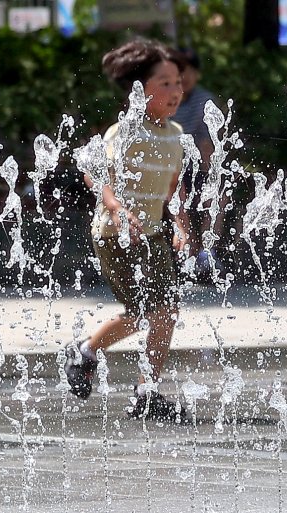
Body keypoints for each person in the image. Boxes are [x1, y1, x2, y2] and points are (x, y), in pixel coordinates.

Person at [65, 38, 193, 424]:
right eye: (164, 83)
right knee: (150, 311)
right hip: (114, 233)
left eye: (177, 82)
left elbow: (177, 186)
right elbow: (97, 175)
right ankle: (89, 352)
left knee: (163, 313)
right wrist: (119, 211)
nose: (175, 92)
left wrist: (182, 227)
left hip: (152, 233)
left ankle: (143, 389)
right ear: (140, 90)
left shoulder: (174, 134)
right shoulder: (125, 131)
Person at [169, 48, 225, 277]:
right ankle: (187, 245)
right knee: (173, 193)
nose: (185, 77)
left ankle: (207, 251)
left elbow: (207, 145)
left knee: (218, 193)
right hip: (170, 167)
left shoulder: (205, 100)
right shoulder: (168, 99)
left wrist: (212, 176)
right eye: (181, 72)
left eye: (190, 71)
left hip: (195, 167)